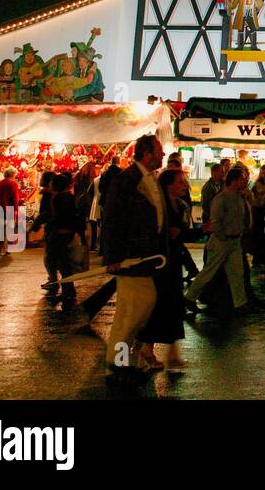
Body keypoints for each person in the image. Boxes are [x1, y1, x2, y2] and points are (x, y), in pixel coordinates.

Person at [101, 134, 164, 382]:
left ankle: (119, 364)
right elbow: (113, 219)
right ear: (147, 153)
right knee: (132, 313)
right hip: (131, 258)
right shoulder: (127, 180)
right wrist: (113, 256)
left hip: (144, 256)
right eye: (158, 150)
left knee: (131, 314)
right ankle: (117, 365)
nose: (162, 154)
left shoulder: (148, 179)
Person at [138, 167, 190, 372]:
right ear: (168, 185)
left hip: (174, 261)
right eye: (180, 182)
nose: (184, 185)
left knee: (173, 305)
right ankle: (157, 350)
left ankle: (167, 351)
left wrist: (198, 231)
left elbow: (183, 234)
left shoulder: (181, 205)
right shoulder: (159, 206)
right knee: (161, 305)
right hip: (161, 262)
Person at [185, 164, 254, 314]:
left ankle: (240, 303)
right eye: (242, 179)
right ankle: (190, 297)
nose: (245, 181)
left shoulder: (238, 197)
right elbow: (215, 221)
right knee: (209, 272)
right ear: (234, 181)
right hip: (222, 241)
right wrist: (223, 236)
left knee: (237, 273)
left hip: (234, 240)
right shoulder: (221, 198)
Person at [47, 173, 86, 307]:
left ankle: (68, 291)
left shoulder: (60, 198)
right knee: (64, 263)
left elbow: (61, 216)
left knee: (63, 263)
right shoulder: (68, 197)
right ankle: (68, 290)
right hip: (66, 232)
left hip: (60, 234)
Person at [0, 169, 21, 259]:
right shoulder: (13, 183)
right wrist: (15, 211)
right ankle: (4, 250)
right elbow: (15, 199)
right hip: (7, 210)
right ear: (13, 175)